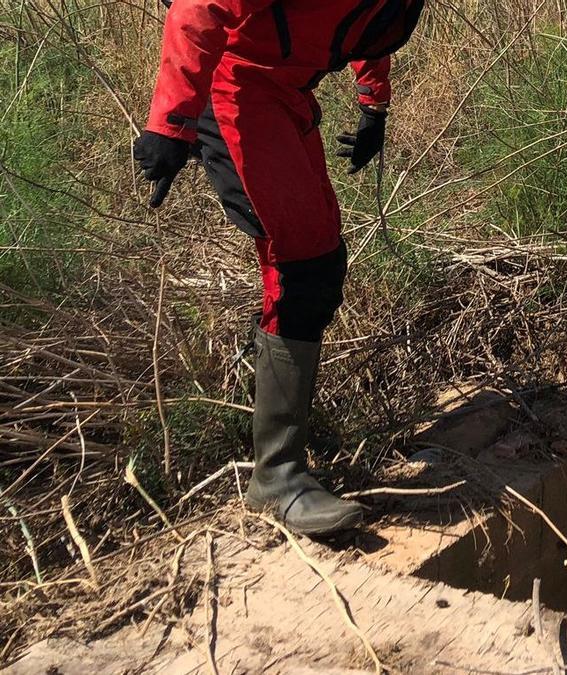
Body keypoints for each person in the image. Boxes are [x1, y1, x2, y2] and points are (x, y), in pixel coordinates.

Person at [132, 0, 425, 535]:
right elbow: (200, 8)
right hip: (236, 90)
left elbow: (376, 14)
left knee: (320, 265)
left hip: (287, 94)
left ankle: (273, 426)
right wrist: (170, 124)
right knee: (301, 270)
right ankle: (277, 477)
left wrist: (373, 104)